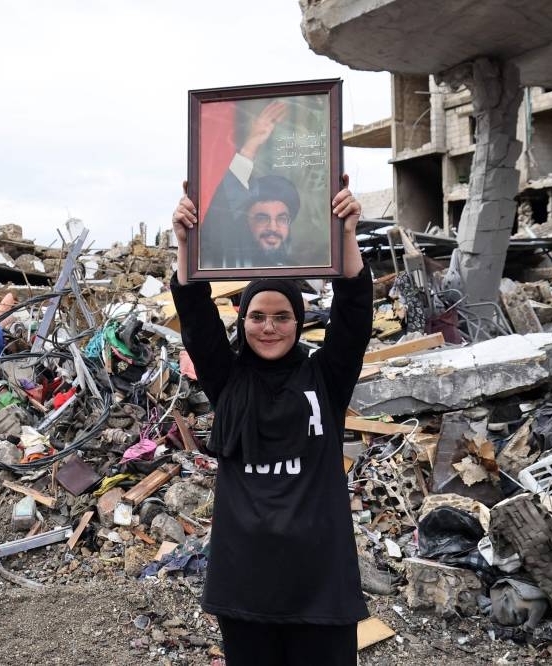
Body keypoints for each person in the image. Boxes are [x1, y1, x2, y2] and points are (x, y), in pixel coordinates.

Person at [170, 178, 372, 666]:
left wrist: (345, 234)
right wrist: (185, 243)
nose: (269, 327)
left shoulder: (325, 375)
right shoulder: (228, 379)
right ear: (243, 320)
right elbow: (196, 317)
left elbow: (354, 316)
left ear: (299, 322)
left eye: (282, 316)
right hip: (245, 579)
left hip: (320, 577)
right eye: (258, 316)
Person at [201, 101, 306, 269]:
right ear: (245, 220)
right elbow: (227, 198)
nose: (273, 228)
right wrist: (252, 144)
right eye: (262, 218)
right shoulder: (227, 261)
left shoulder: (297, 269)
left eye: (282, 219)